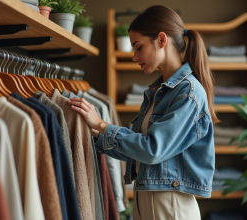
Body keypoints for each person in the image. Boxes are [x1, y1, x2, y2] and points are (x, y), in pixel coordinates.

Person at [68, 5, 218, 220]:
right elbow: (136, 152)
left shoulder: (189, 93)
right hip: (148, 202)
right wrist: (93, 132)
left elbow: (152, 150)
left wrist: (102, 125)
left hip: (171, 208)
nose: (134, 56)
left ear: (161, 40)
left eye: (138, 47)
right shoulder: (158, 92)